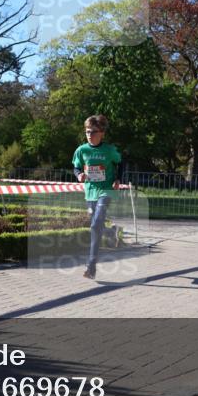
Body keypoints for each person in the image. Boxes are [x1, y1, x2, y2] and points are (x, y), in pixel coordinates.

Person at [72, 114, 122, 280]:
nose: (90, 135)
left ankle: (91, 265)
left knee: (95, 224)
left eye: (93, 132)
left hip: (106, 190)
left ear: (102, 133)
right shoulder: (81, 150)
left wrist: (117, 179)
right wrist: (79, 175)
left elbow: (120, 163)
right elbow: (76, 167)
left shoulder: (109, 150)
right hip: (90, 191)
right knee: (97, 225)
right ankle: (111, 232)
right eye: (87, 132)